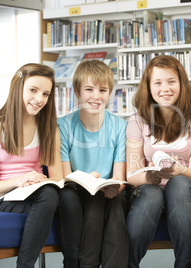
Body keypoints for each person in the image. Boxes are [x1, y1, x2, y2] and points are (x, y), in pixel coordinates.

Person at [126, 55, 191, 268]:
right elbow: (131, 174)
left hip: (183, 194)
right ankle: (128, 263)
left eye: (171, 81)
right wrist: (149, 175)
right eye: (158, 82)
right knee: (153, 192)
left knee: (179, 183)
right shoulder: (137, 120)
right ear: (149, 87)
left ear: (182, 83)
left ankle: (185, 264)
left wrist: (180, 170)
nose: (165, 88)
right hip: (148, 191)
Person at [57, 60, 128, 268]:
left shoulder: (118, 126)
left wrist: (116, 186)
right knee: (94, 202)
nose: (96, 96)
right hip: (75, 191)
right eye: (89, 89)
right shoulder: (63, 126)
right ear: (77, 92)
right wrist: (89, 181)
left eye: (103, 90)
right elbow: (64, 177)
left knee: (113, 203)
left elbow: (119, 177)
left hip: (108, 193)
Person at [0, 63, 62, 267]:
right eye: (33, 90)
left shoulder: (48, 128)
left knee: (54, 194)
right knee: (48, 196)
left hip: (36, 194)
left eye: (45, 94)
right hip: (5, 197)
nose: (39, 99)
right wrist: (19, 180)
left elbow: (57, 177)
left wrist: (40, 181)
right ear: (18, 87)